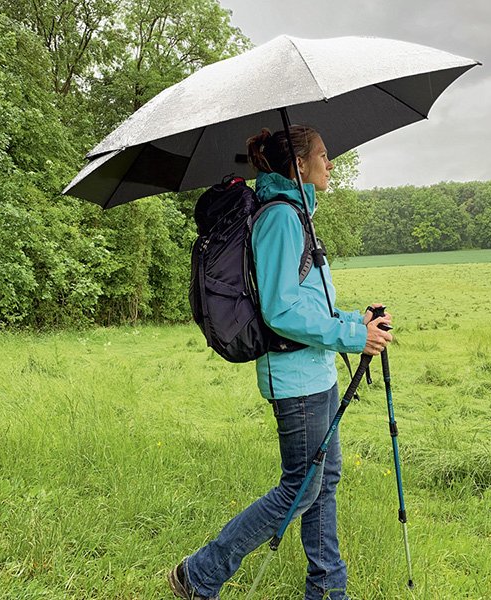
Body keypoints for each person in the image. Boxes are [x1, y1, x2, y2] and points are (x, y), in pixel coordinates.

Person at [169, 125, 393, 600]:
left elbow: (309, 301)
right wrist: (352, 336)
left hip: (315, 370)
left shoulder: (299, 215)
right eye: (324, 155)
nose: (330, 163)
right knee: (300, 487)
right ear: (299, 165)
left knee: (322, 481)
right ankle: (200, 574)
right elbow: (280, 309)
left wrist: (359, 319)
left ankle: (328, 588)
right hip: (295, 379)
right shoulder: (281, 219)